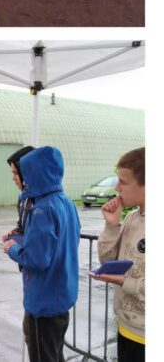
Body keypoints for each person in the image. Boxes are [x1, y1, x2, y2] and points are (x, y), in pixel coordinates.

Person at [3, 146, 80, 362]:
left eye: (22, 172)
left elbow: (36, 259)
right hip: (61, 293)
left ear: (33, 173)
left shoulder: (41, 209)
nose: (20, 178)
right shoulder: (66, 202)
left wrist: (13, 249)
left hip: (43, 299)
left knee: (42, 353)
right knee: (54, 353)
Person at [93, 147, 144, 362]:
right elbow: (107, 261)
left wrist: (125, 281)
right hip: (126, 328)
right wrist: (112, 226)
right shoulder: (132, 217)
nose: (116, 187)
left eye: (123, 182)